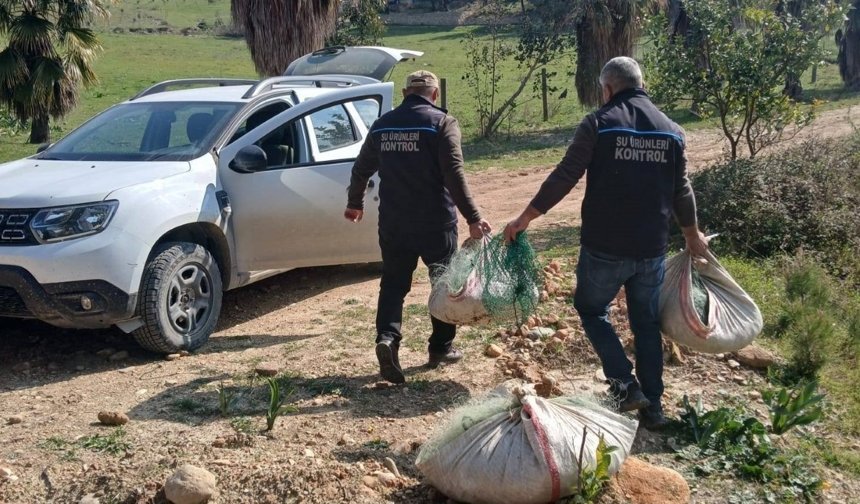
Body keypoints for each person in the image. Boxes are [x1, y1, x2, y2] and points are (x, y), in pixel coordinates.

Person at [503, 57, 708, 429]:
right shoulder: (672, 130)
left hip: (604, 247)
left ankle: (625, 384)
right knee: (645, 322)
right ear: (641, 84)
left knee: (591, 308)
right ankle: (654, 407)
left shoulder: (599, 124)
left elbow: (566, 175)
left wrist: (526, 217)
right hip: (652, 249)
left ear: (608, 88)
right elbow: (682, 188)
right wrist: (692, 235)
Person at [345, 70, 492, 384]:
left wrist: (354, 203)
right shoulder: (442, 124)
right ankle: (440, 347)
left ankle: (387, 338)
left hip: (394, 223)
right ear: (435, 95)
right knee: (444, 283)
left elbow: (361, 168)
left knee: (394, 283)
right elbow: (454, 173)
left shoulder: (383, 125)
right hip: (435, 223)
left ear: (404, 93)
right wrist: (473, 217)